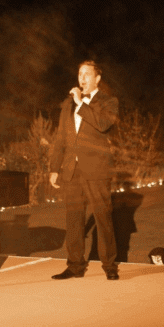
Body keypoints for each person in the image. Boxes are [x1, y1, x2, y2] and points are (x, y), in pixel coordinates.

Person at [49, 60, 120, 280]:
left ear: (97, 78)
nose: (82, 78)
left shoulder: (108, 102)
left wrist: (81, 103)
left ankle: (109, 266)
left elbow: (102, 124)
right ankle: (75, 266)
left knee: (102, 218)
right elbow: (61, 137)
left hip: (96, 169)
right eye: (79, 73)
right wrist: (54, 167)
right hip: (72, 169)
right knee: (74, 219)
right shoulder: (67, 104)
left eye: (86, 74)